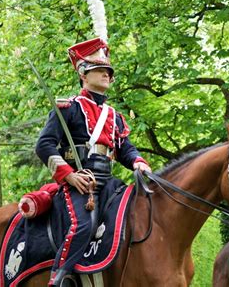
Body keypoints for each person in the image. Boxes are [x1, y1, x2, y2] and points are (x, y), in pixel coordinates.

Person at [34, 37, 151, 286]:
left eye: (109, 71)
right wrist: (69, 175)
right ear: (83, 75)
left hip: (109, 182)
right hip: (79, 183)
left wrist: (138, 162)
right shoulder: (68, 108)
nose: (107, 74)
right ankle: (61, 277)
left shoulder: (115, 117)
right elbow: (43, 145)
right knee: (83, 226)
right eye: (100, 70)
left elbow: (125, 149)